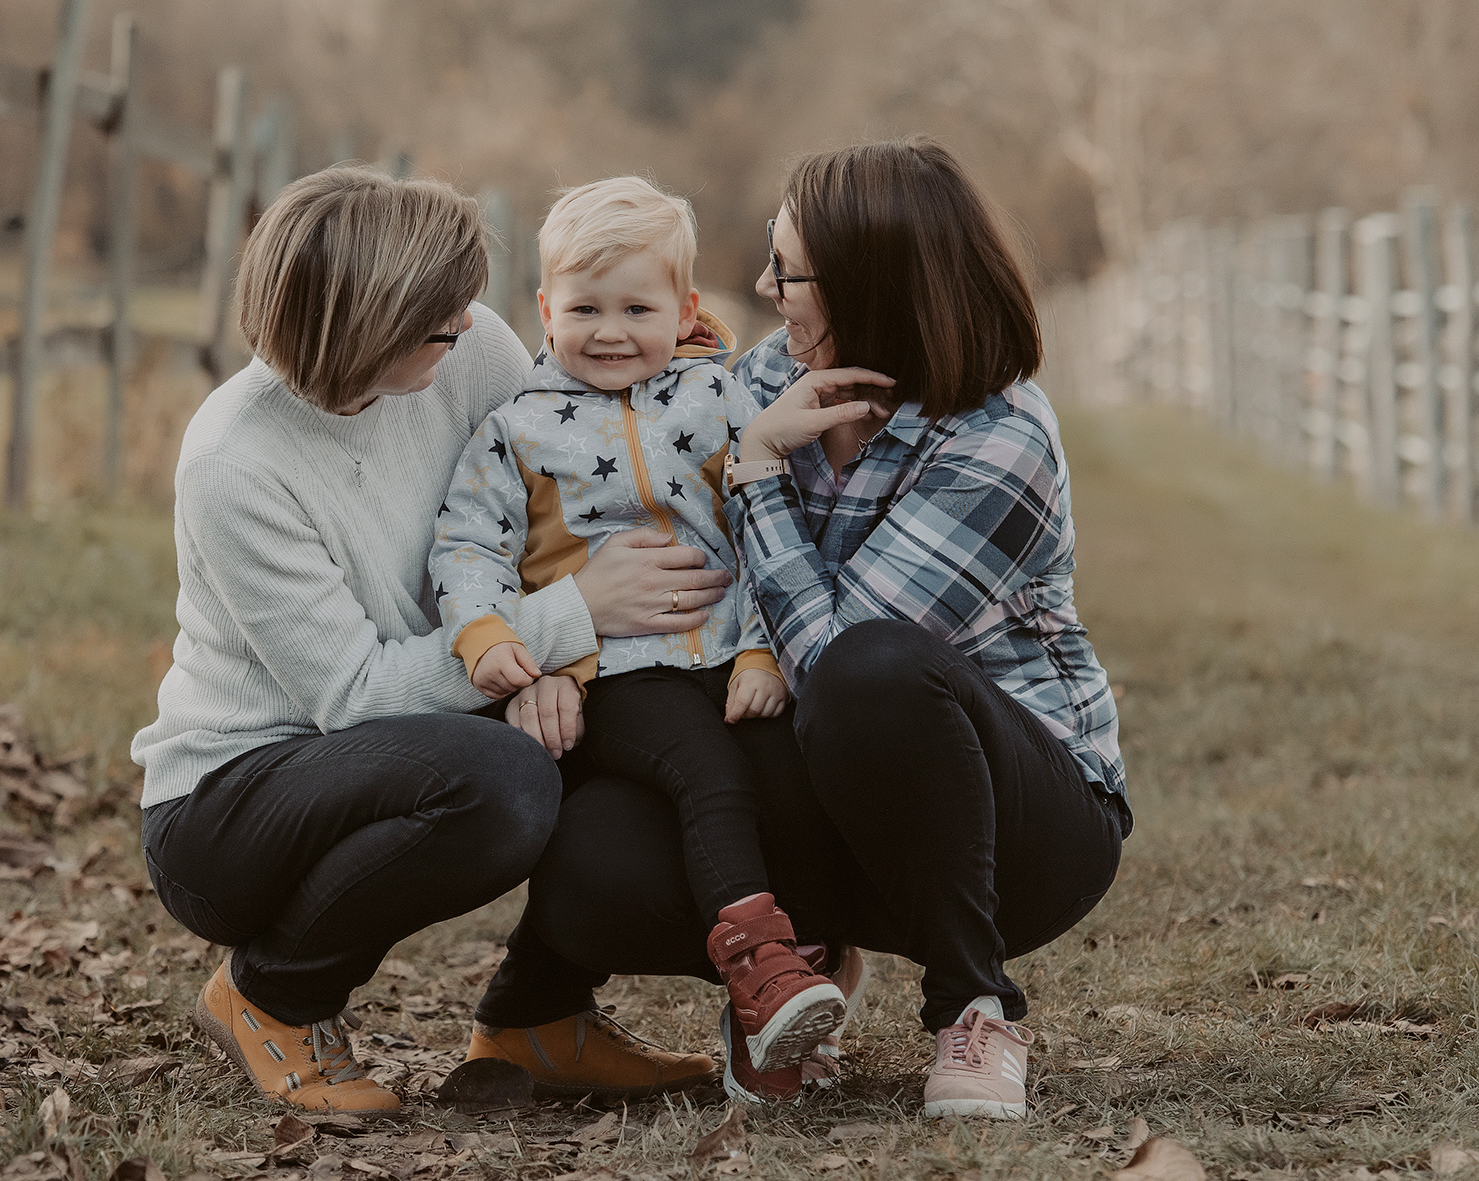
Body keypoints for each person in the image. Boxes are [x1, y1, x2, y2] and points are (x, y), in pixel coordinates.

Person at [471, 137, 1130, 1119]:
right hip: (834, 794)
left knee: (870, 671)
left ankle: (972, 1005)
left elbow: (832, 664)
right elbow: (594, 443)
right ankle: (793, 954)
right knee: (590, 859)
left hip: (1016, 822)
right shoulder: (765, 374)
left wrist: (760, 473)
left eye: (786, 268)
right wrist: (555, 643)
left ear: (868, 286)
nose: (762, 285)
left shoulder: (999, 433)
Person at [130, 166, 734, 1112]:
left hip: (449, 705)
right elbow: (354, 696)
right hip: (238, 804)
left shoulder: (466, 344)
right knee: (502, 782)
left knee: (628, 719)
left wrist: (555, 672)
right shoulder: (235, 462)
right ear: (368, 328)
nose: (468, 333)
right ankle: (274, 994)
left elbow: (560, 480)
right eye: (439, 324)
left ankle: (538, 1014)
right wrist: (572, 614)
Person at [432, 177, 845, 1080]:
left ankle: (780, 1006)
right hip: (614, 674)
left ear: (686, 308)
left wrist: (765, 647)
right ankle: (761, 976)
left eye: (636, 306)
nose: (610, 330)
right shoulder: (517, 431)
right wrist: (493, 638)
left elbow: (773, 533)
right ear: (544, 309)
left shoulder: (717, 400)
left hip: (729, 655)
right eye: (584, 307)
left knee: (786, 775)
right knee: (710, 775)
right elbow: (468, 548)